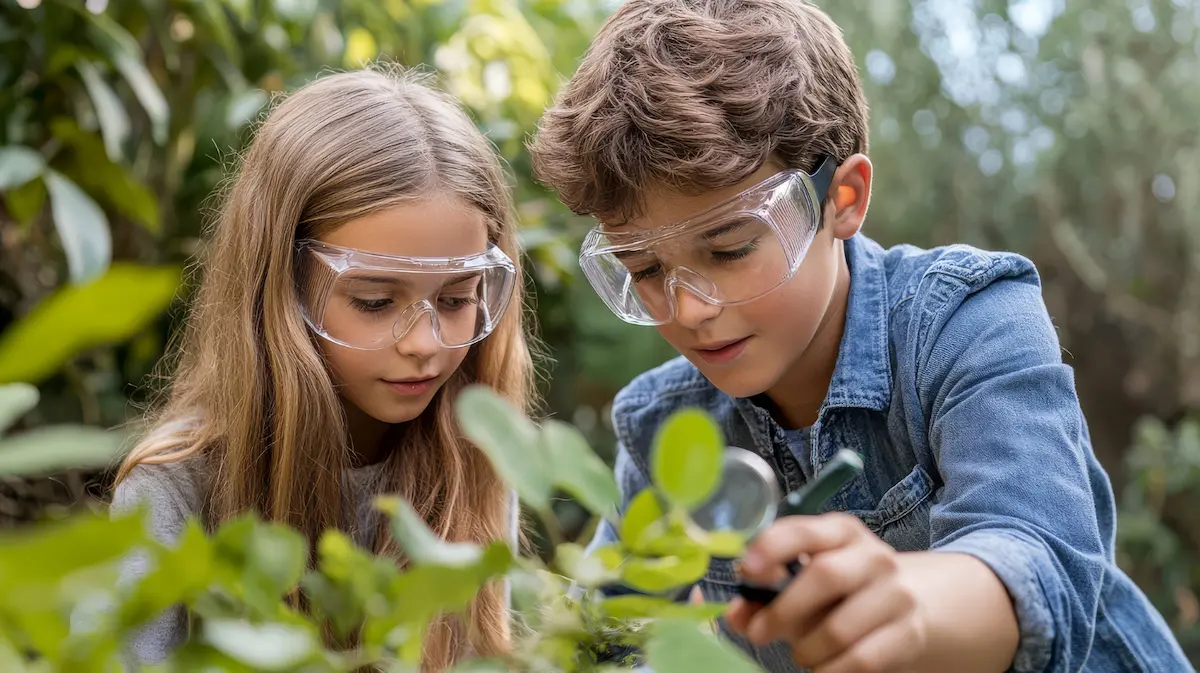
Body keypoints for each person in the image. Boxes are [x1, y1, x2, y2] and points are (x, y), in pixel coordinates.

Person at [529, 1, 1191, 671]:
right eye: (643, 269)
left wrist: (906, 604)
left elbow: (1037, 557)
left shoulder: (968, 321)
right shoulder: (666, 429)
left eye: (729, 248)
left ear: (842, 199)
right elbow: (601, 639)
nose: (691, 309)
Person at [111, 66, 535, 671]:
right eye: (374, 301)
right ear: (280, 287)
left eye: (456, 298)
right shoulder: (177, 490)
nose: (423, 343)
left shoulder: (480, 456)